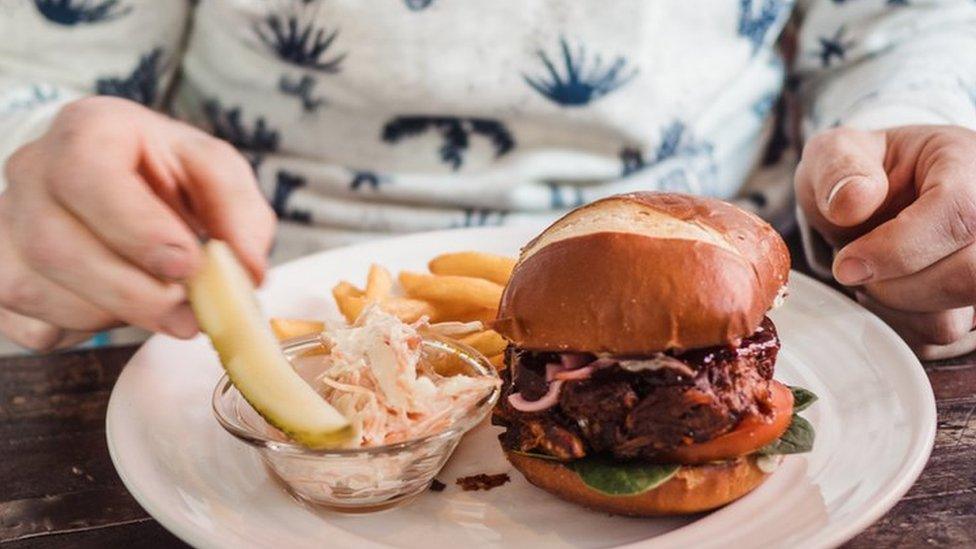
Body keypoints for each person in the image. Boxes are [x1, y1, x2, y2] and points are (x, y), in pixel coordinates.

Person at [1, 0, 974, 359]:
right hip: (253, 309)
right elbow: (36, 62)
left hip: (736, 272)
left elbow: (905, 22)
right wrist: (33, 147)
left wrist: (899, 158)